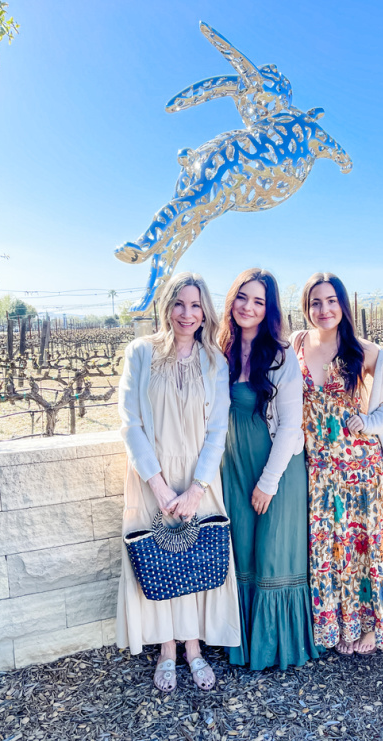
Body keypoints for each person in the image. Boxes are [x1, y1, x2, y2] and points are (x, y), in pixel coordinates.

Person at [116, 272, 240, 692]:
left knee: (196, 562)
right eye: (179, 304)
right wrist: (160, 486)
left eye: (195, 305)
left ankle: (194, 646)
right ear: (166, 306)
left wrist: (196, 489)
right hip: (152, 475)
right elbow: (130, 424)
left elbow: (218, 430)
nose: (187, 314)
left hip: (198, 478)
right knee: (160, 561)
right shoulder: (140, 353)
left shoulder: (215, 362)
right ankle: (167, 648)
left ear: (205, 309)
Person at [292, 272, 383, 655]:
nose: (324, 309)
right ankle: (341, 626)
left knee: (369, 548)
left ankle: (373, 628)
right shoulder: (296, 345)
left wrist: (369, 422)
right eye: (316, 302)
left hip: (364, 469)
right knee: (333, 551)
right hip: (320, 471)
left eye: (331, 300)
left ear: (343, 305)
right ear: (306, 307)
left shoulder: (365, 351)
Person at [219, 268, 321, 670]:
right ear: (232, 300)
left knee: (273, 554)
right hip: (235, 467)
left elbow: (291, 426)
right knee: (242, 552)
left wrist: (267, 483)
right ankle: (239, 640)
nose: (248, 306)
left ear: (269, 309)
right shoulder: (220, 351)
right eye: (242, 297)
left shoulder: (279, 356)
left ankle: (276, 645)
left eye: (258, 301)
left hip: (276, 471)